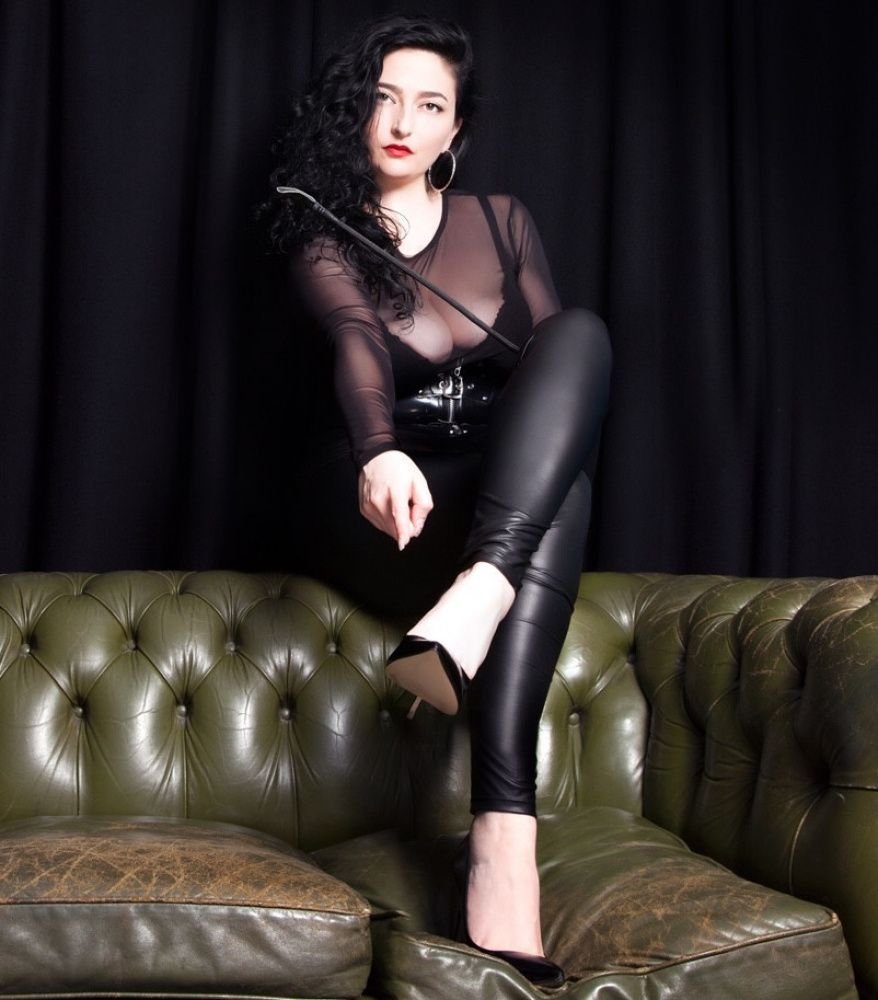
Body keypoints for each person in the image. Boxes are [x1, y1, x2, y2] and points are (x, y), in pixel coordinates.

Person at [265, 14, 611, 988]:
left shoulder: (502, 220)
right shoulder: (323, 230)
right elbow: (357, 345)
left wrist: (494, 545)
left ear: (455, 129)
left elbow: (554, 377)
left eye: (428, 105)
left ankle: (499, 825)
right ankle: (502, 846)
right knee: (561, 503)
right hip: (376, 498)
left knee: (578, 338)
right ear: (354, 111)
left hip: (488, 494)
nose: (401, 123)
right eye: (382, 99)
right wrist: (377, 452)